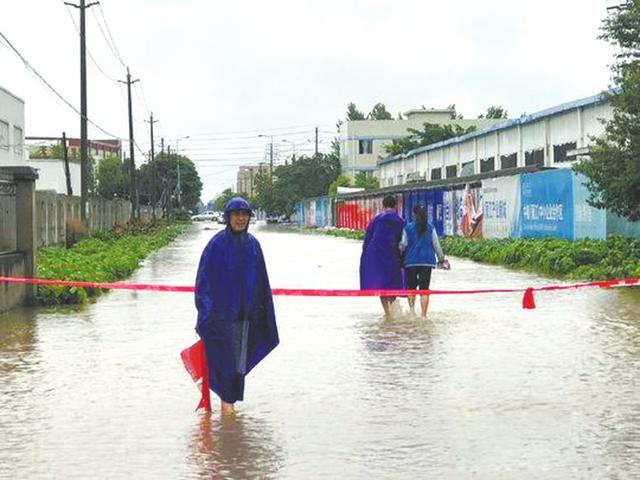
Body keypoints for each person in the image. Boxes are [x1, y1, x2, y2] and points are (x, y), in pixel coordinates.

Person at [194, 197, 279, 415]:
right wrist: (206, 315)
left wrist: (262, 315)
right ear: (228, 217)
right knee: (225, 366)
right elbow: (203, 283)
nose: (240, 219)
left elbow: (261, 282)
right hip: (219, 320)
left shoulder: (253, 246)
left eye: (244, 215)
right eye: (236, 214)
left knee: (237, 368)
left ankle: (229, 422)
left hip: (244, 319)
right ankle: (228, 420)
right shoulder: (216, 246)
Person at [359, 195, 405, 316]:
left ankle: (387, 313)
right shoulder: (400, 221)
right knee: (393, 284)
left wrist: (365, 254)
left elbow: (367, 238)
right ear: (395, 205)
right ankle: (392, 308)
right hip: (393, 256)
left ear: (383, 205)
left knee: (382, 285)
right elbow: (404, 240)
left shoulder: (376, 219)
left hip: (377, 257)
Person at [399, 203, 447, 318]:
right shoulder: (431, 228)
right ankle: (424, 316)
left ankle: (411, 312)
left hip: (410, 262)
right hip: (427, 262)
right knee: (424, 289)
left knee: (411, 288)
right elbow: (437, 245)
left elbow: (403, 245)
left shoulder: (408, 227)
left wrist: (398, 253)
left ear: (413, 214)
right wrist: (441, 259)